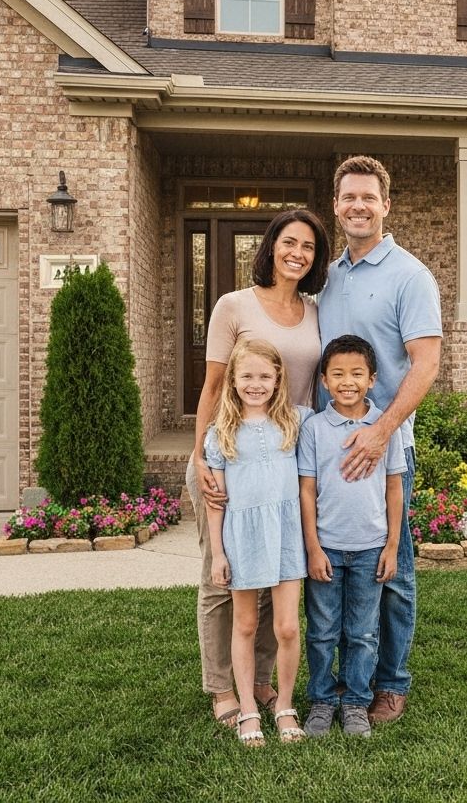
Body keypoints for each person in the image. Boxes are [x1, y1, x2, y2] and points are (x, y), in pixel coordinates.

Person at [187, 208, 330, 729]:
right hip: (228, 453)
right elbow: (212, 386)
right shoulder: (234, 305)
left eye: (309, 247)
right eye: (289, 242)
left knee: (276, 573)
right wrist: (203, 454)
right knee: (222, 579)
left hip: (285, 453)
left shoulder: (316, 311)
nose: (297, 253)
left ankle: (264, 680)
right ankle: (223, 687)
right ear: (269, 246)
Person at [318, 155, 442, 725]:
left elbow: (426, 363)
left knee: (392, 569)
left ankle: (390, 684)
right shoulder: (332, 274)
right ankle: (337, 685)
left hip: (385, 449)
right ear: (337, 205)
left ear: (386, 205)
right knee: (330, 570)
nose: (359, 206)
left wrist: (381, 431)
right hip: (329, 448)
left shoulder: (410, 275)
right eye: (349, 198)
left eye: (369, 197)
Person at [298, 335, 406, 739]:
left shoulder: (383, 429)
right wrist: (312, 547)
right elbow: (306, 490)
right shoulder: (313, 429)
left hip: (370, 548)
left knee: (362, 632)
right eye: (338, 374)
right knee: (323, 630)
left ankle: (357, 701)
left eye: (357, 374)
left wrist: (393, 545)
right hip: (326, 546)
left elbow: (394, 488)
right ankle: (323, 700)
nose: (348, 382)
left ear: (372, 380)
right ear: (324, 380)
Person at [204, 338, 309, 747]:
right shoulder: (221, 433)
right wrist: (218, 553)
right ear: (232, 380)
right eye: (247, 376)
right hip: (242, 538)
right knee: (245, 624)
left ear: (278, 378)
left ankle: (284, 704)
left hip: (285, 536)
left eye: (265, 376)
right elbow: (216, 504)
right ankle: (248, 706)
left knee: (285, 626)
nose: (256, 384)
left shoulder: (295, 422)